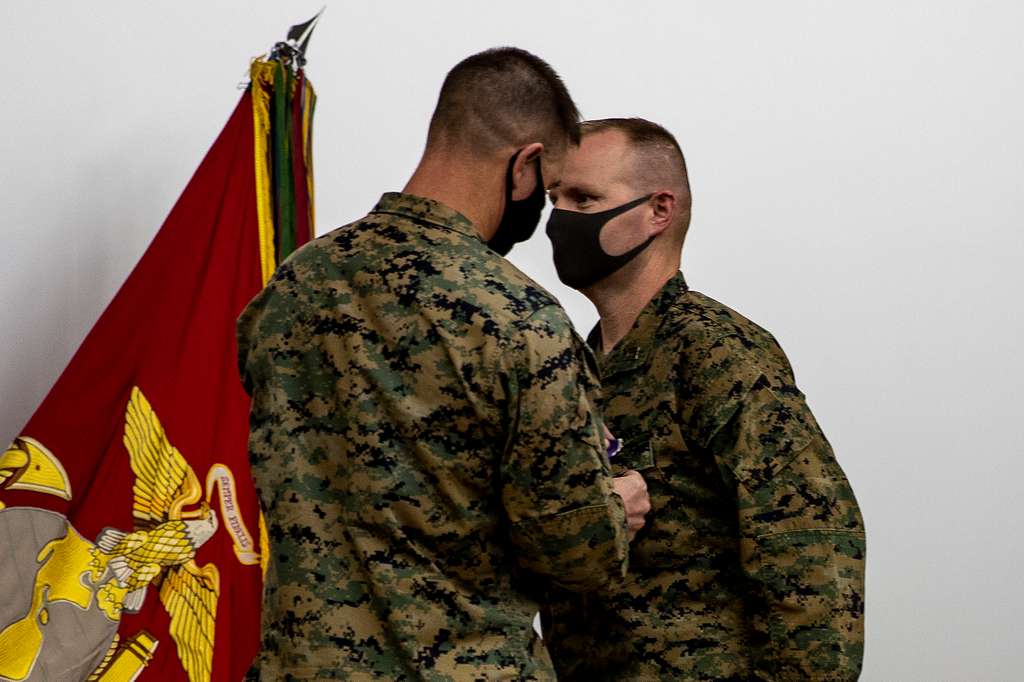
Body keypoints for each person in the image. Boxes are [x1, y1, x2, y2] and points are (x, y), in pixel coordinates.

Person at [237, 50, 650, 680]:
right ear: (526, 165)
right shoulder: (519, 318)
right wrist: (613, 512)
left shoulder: (292, 285)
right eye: (549, 184)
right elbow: (575, 555)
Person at [542, 118, 866, 680]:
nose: (560, 219)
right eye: (555, 198)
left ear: (659, 210)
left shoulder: (715, 350)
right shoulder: (574, 365)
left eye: (584, 198)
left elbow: (811, 546)